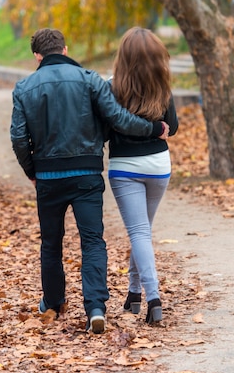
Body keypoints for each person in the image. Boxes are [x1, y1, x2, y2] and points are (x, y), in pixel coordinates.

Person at [10, 28, 169, 334]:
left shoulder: (24, 87)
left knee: (51, 242)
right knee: (92, 241)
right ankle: (95, 307)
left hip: (48, 177)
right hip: (86, 175)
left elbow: (18, 137)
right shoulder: (90, 79)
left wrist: (32, 170)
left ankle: (54, 304)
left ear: (37, 57)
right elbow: (118, 118)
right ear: (65, 49)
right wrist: (152, 129)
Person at [107, 27, 179, 325]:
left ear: (123, 57)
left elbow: (106, 128)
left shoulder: (110, 87)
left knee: (139, 233)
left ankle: (153, 298)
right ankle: (134, 293)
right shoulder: (162, 85)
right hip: (159, 167)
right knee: (143, 232)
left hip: (125, 167)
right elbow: (171, 128)